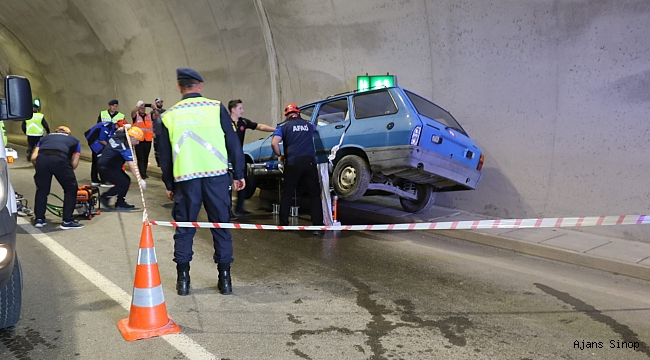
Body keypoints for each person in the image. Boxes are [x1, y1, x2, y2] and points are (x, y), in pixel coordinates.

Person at [158, 67, 245, 296]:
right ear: (200, 85)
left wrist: (169, 184)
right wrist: (238, 174)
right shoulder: (215, 108)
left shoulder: (168, 116)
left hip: (186, 181)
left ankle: (183, 281)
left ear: (179, 87)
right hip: (216, 177)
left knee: (185, 228)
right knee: (221, 227)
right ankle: (225, 280)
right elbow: (233, 142)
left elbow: (164, 156)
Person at [271, 103, 324, 234]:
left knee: (287, 193)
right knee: (314, 194)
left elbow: (274, 143)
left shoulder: (282, 126)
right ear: (298, 113)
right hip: (310, 162)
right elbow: (316, 128)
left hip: (293, 163)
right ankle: (317, 226)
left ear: (287, 115)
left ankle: (284, 224)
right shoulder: (308, 125)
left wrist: (280, 155)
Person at [228, 99, 275, 216]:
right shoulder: (224, 122)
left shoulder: (243, 122)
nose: (242, 111)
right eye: (240, 108)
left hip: (239, 156)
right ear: (233, 110)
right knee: (227, 185)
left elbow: (260, 126)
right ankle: (227, 211)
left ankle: (239, 208)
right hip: (226, 157)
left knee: (243, 180)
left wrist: (276, 130)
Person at [30, 126, 83, 230]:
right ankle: (67, 221)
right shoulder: (74, 141)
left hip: (42, 160)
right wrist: (66, 170)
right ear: (68, 133)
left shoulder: (44, 138)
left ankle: (39, 219)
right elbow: (74, 164)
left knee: (42, 190)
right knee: (71, 189)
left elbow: (33, 157)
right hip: (60, 160)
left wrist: (40, 168)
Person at [97, 126, 146, 211]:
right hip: (106, 168)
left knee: (125, 180)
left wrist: (125, 127)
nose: (138, 143)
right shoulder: (124, 147)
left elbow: (120, 129)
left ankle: (120, 202)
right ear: (132, 138)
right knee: (123, 183)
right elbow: (132, 166)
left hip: (109, 165)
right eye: (137, 140)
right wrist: (140, 179)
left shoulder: (118, 134)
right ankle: (106, 197)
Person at [92, 100, 125, 186]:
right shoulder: (103, 114)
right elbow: (98, 127)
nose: (114, 108)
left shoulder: (121, 116)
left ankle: (104, 179)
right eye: (113, 106)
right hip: (101, 140)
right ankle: (96, 180)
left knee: (104, 161)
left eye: (116, 106)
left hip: (110, 140)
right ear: (109, 106)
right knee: (97, 161)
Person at [131, 101, 155, 179]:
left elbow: (157, 115)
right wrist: (138, 105)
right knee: (140, 157)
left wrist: (153, 108)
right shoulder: (136, 116)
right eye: (141, 108)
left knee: (146, 157)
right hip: (138, 140)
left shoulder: (149, 116)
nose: (142, 109)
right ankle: (141, 174)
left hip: (147, 140)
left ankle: (144, 172)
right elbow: (133, 112)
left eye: (144, 108)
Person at [151, 98, 166, 167]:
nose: (160, 104)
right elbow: (150, 123)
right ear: (156, 104)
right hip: (156, 133)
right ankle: (159, 163)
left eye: (161, 102)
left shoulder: (165, 111)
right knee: (157, 148)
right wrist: (152, 132)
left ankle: (164, 161)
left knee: (164, 147)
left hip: (164, 132)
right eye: (158, 102)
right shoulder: (152, 113)